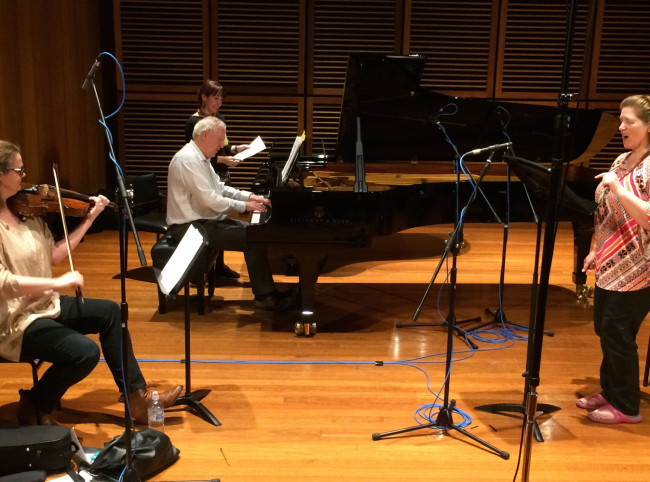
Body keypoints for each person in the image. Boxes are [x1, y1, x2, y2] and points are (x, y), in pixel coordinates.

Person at [0, 140, 183, 425]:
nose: (26, 178)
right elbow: (4, 283)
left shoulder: (27, 213)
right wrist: (58, 283)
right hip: (17, 320)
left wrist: (89, 219)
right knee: (85, 353)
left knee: (111, 312)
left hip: (47, 305)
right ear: (1, 175)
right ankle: (35, 403)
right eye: (19, 171)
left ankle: (137, 398)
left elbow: (55, 255)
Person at [167, 116, 296, 311]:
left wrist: (249, 196)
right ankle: (265, 297)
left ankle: (266, 292)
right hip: (190, 229)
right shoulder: (188, 160)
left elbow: (220, 187)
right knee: (253, 239)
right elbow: (210, 200)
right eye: (219, 140)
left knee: (255, 231)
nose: (222, 145)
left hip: (204, 222)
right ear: (204, 135)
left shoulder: (200, 156)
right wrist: (245, 206)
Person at [579, 95, 650, 424]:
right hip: (610, 261)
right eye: (621, 120)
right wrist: (596, 248)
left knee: (619, 332)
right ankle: (610, 390)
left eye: (628, 122)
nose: (620, 127)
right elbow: (607, 211)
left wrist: (621, 190)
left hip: (639, 267)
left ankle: (626, 406)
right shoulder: (622, 159)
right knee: (604, 329)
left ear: (648, 126)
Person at [185, 79, 249, 279]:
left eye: (221, 98)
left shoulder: (219, 118)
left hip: (220, 175)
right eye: (215, 97)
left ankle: (219, 265)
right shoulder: (194, 123)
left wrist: (237, 149)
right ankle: (206, 269)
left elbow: (221, 147)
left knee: (221, 218)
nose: (219, 103)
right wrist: (223, 159)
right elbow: (199, 155)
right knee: (212, 219)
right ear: (204, 97)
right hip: (205, 176)